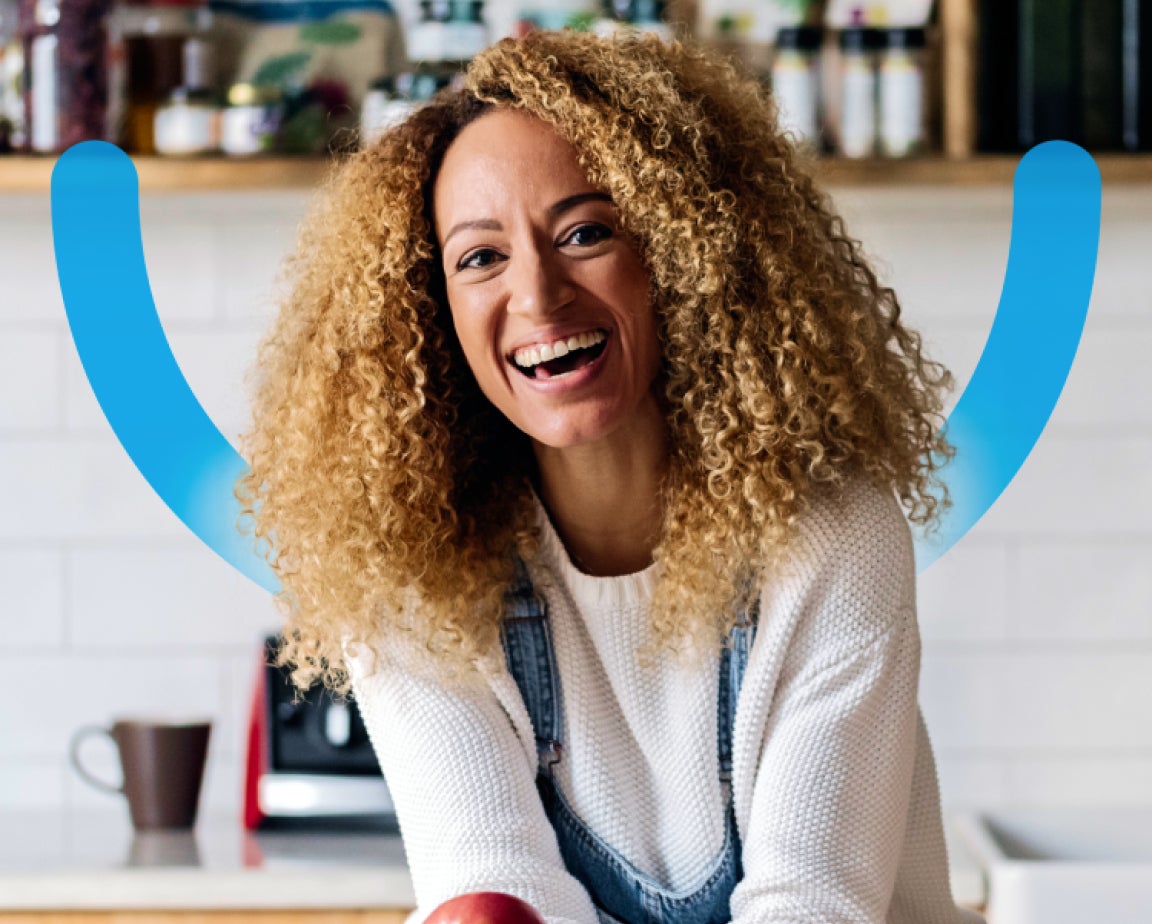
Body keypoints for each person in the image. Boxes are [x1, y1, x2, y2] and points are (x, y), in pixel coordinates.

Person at [238, 28, 984, 924]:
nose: (539, 296)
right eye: (481, 257)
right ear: (430, 314)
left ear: (683, 257)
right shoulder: (407, 566)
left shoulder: (830, 534)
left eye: (586, 232)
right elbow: (488, 882)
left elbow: (810, 906)